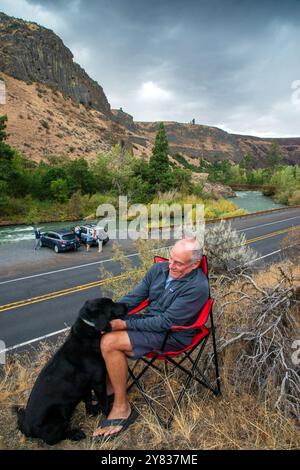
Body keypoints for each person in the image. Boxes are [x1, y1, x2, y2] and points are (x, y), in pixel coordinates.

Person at [93, 237, 209, 439]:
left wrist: (125, 324)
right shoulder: (159, 270)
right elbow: (134, 297)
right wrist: (109, 313)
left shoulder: (197, 287)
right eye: (171, 258)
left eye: (178, 263)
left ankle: (122, 408)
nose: (170, 265)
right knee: (99, 331)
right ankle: (110, 388)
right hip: (150, 322)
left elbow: (165, 322)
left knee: (109, 342)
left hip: (172, 335)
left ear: (195, 264)